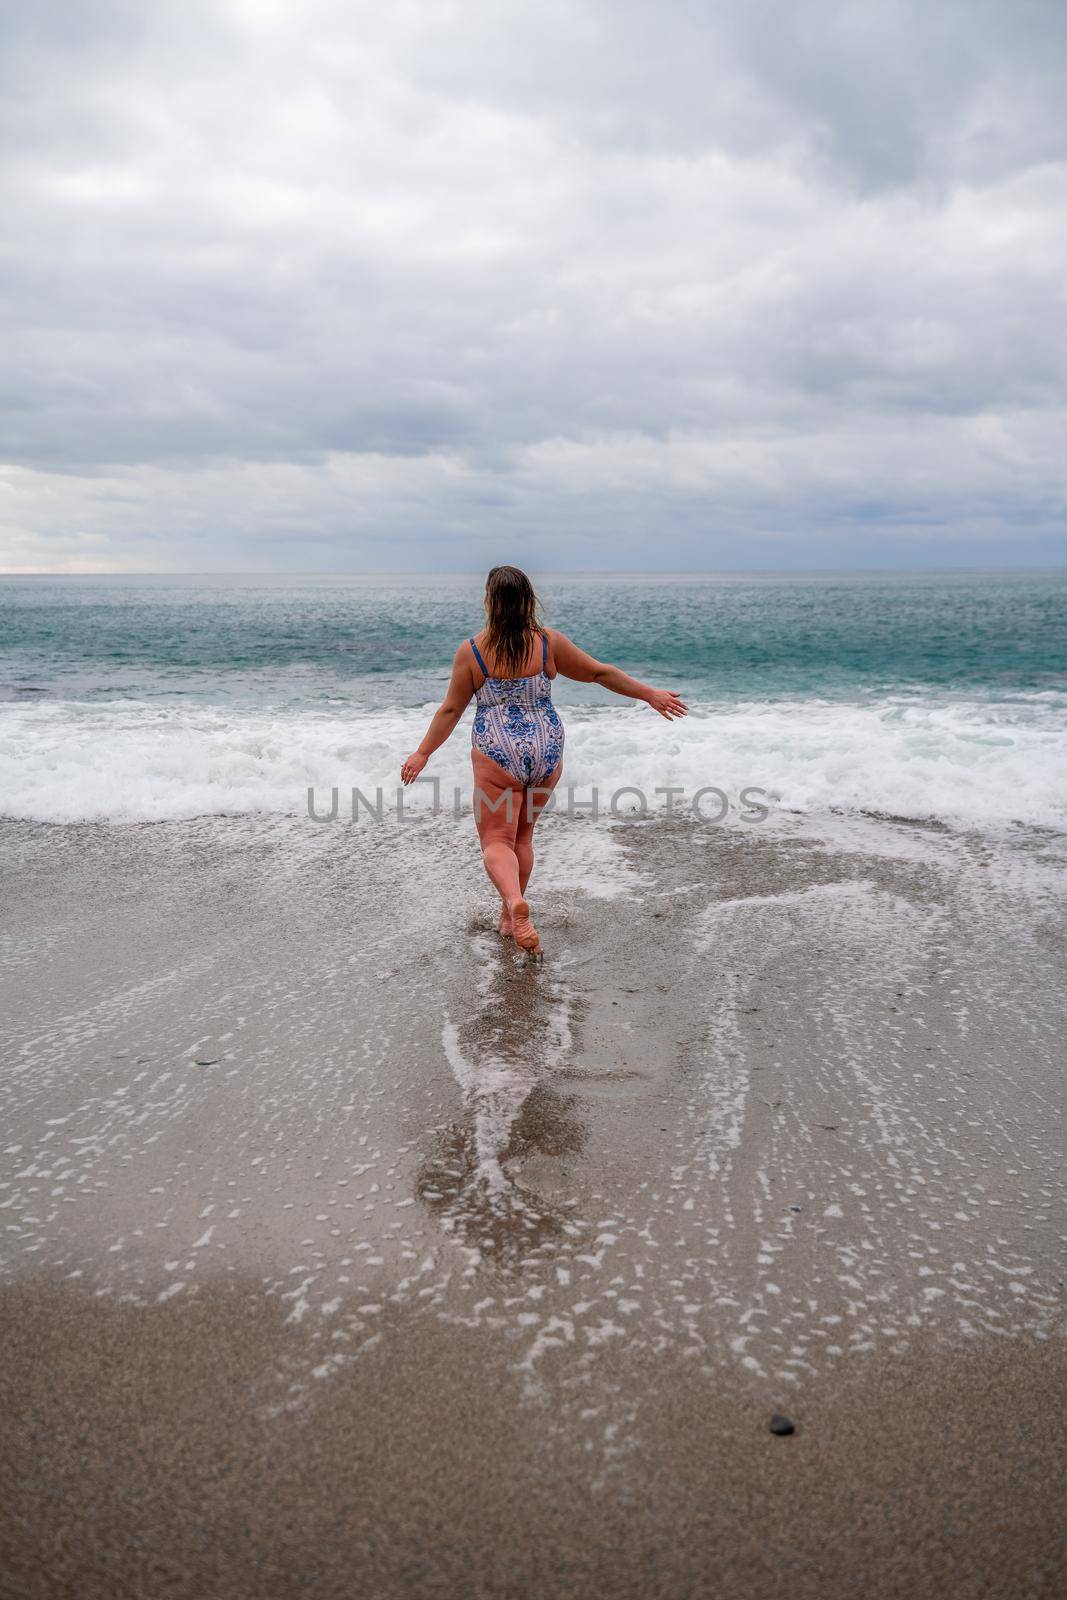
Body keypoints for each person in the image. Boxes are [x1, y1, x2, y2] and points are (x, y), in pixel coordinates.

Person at [401, 565, 687, 956]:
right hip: (546, 748)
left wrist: (422, 752)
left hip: (497, 749)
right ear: (528, 600)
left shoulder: (472, 651)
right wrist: (649, 694)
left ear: (490, 602)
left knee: (496, 840)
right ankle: (508, 915)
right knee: (522, 836)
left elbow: (451, 710)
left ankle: (516, 905)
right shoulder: (549, 643)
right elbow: (599, 673)